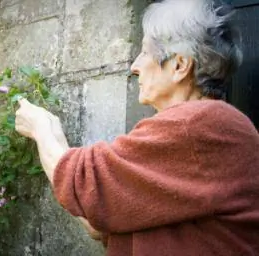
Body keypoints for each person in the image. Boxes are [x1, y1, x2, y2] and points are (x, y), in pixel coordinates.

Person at [15, 0, 259, 255]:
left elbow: (86, 184)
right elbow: (97, 222)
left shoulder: (197, 125)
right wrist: (53, 141)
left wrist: (42, 129)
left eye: (144, 52)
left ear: (179, 65)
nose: (134, 67)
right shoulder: (200, 130)